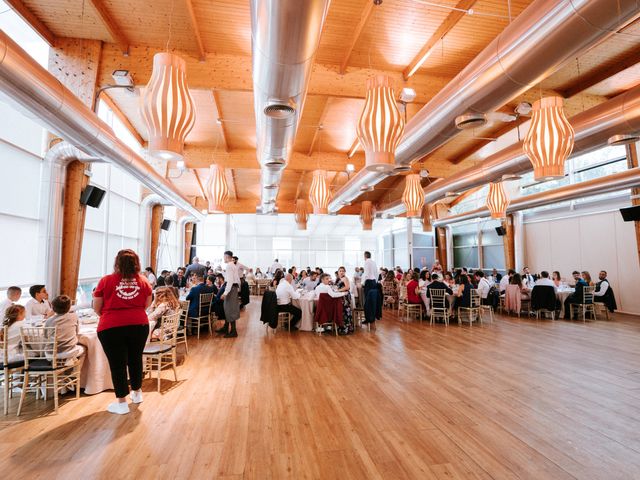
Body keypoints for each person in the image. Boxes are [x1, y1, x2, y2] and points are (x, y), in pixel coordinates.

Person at [93, 249, 153, 415]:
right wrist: (132, 311)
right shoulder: (143, 281)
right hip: (139, 324)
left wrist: (110, 315)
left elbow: (96, 307)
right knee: (135, 359)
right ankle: (137, 393)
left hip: (111, 326)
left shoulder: (106, 281)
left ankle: (121, 403)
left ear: (117, 262)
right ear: (137, 263)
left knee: (117, 364)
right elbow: (146, 304)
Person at [45, 295, 84, 360]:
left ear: (53, 307)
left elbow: (46, 336)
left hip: (51, 354)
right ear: (69, 307)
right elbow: (77, 332)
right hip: (69, 352)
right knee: (84, 348)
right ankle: (75, 366)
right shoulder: (74, 317)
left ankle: (66, 362)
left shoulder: (49, 320)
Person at [220, 250, 241, 338]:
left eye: (224, 257)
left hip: (231, 288)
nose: (223, 258)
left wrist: (225, 293)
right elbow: (237, 279)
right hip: (233, 288)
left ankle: (233, 331)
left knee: (230, 309)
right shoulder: (233, 265)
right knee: (228, 308)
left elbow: (230, 281)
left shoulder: (229, 265)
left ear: (227, 257)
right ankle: (226, 327)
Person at [362, 251, 380, 330]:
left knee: (367, 301)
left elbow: (366, 273)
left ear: (365, 256)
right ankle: (370, 318)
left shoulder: (366, 262)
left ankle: (369, 319)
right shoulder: (374, 262)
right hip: (373, 282)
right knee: (373, 301)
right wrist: (375, 281)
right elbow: (376, 273)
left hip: (368, 282)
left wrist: (363, 283)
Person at [336, 267, 353, 333]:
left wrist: (338, 290)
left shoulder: (345, 278)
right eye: (340, 271)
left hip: (345, 296)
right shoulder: (339, 279)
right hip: (341, 295)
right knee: (342, 311)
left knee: (346, 311)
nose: (341, 272)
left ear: (345, 272)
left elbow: (347, 287)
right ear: (338, 272)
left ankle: (347, 329)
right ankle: (342, 328)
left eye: (343, 271)